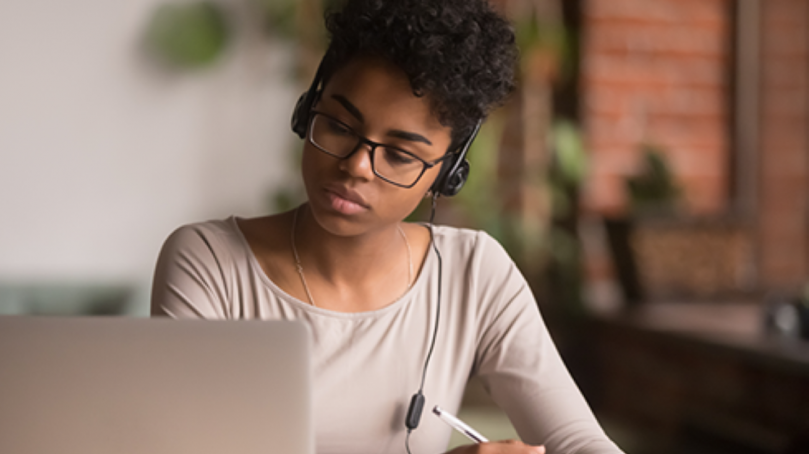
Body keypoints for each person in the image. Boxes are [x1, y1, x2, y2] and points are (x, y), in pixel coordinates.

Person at [151, 0, 624, 453]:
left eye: (399, 155)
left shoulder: (474, 274)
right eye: (338, 125)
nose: (356, 166)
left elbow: (580, 441)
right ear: (306, 111)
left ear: (447, 172)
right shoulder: (209, 262)